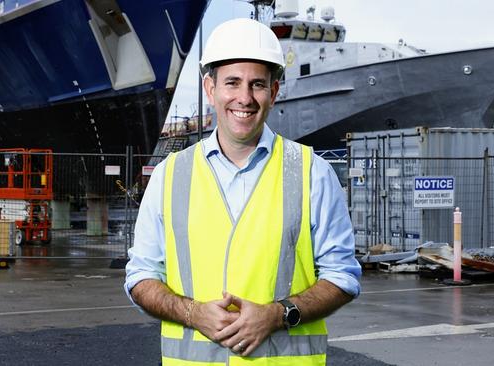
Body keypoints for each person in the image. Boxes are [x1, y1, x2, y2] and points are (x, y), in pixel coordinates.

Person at [124, 18, 361, 365]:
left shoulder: (313, 173)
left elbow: (342, 277)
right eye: (232, 83)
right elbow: (141, 276)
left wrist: (277, 315)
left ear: (274, 92)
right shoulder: (169, 176)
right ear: (210, 88)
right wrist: (193, 313)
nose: (245, 98)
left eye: (257, 85)